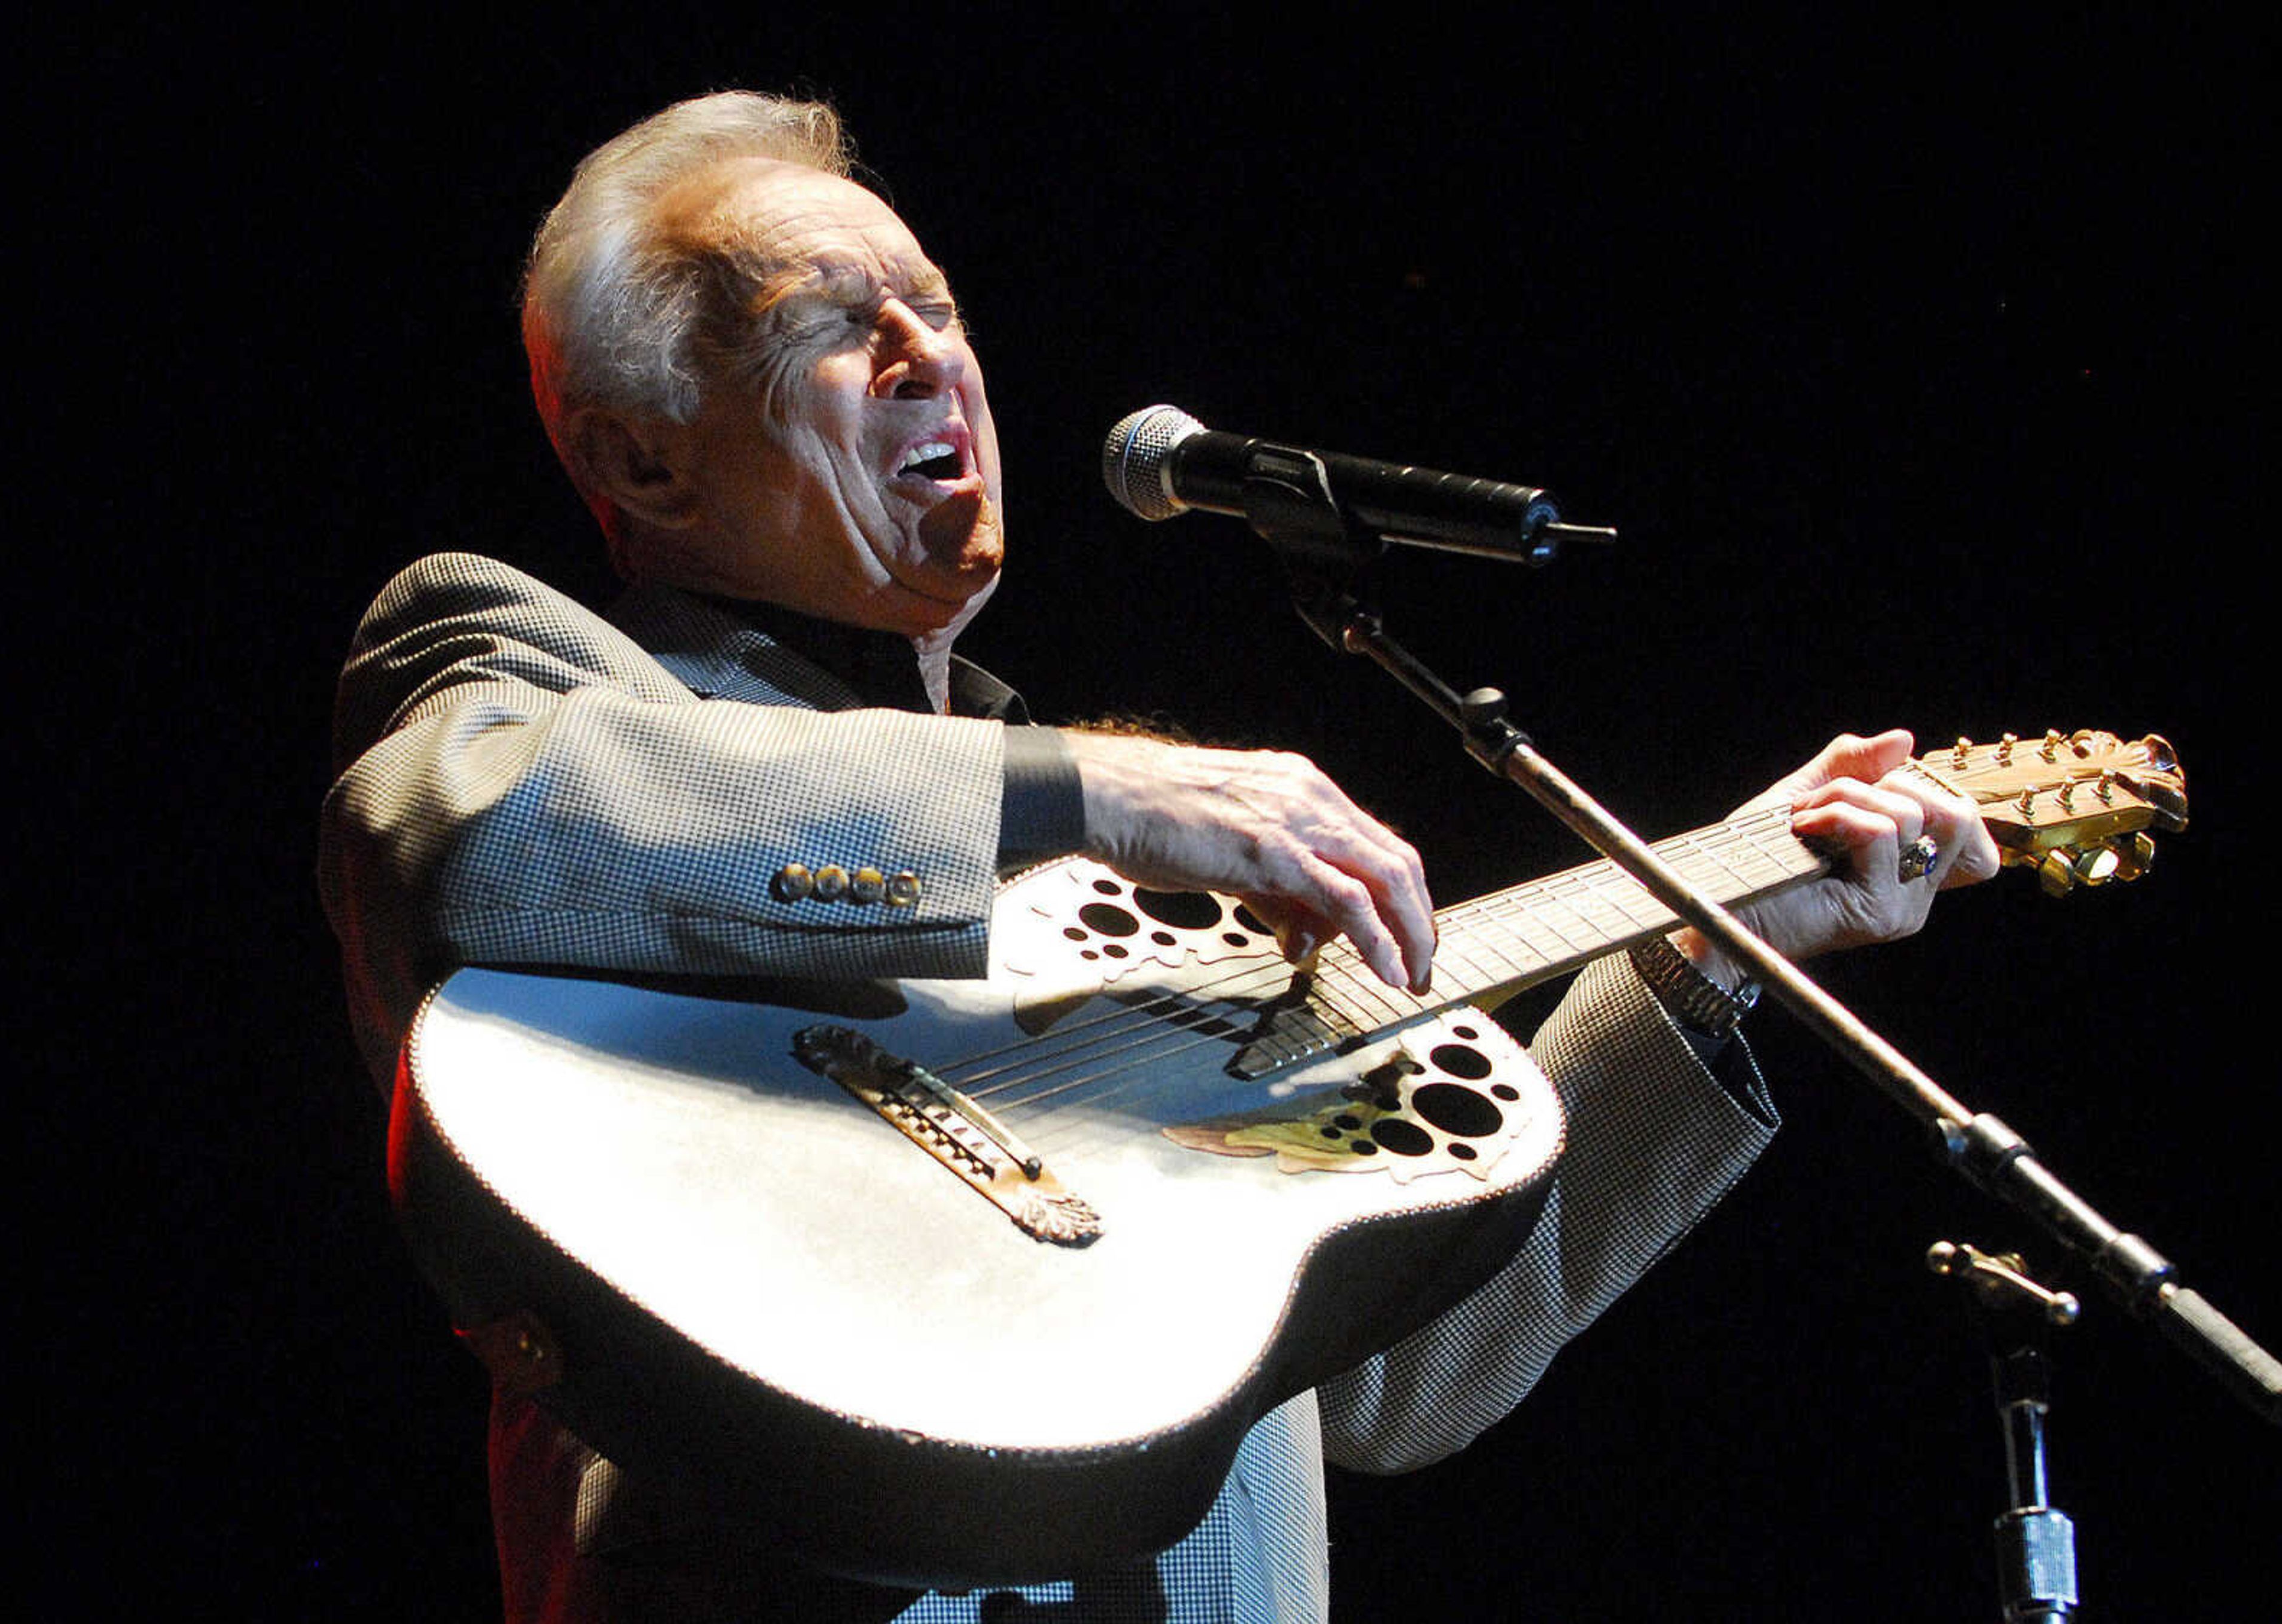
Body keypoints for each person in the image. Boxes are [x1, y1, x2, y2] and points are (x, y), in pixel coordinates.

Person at [320, 90, 1997, 1624]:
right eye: (836, 323)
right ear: (637, 452)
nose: (934, 360)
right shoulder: (524, 674)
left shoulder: (1120, 915)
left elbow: (1395, 1386)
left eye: (944, 311)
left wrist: (1707, 944)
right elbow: (482, 835)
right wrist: (1070, 793)